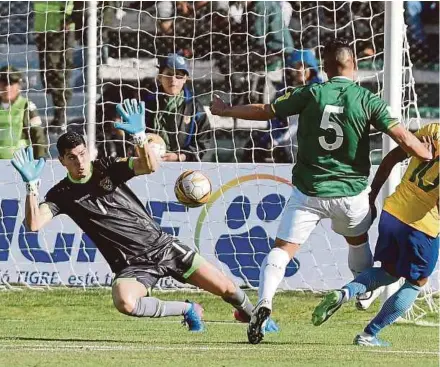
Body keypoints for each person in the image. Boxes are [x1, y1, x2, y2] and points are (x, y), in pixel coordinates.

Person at [210, 38, 433, 344]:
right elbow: (404, 139)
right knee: (357, 242)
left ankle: (264, 302)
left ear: (325, 68)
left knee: (282, 250)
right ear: (354, 64)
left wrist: (226, 110)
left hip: (309, 192)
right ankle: (363, 295)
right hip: (351, 195)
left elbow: (266, 110)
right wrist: (426, 152)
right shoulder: (368, 100)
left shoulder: (311, 92)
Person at [11, 98, 277, 333]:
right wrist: (31, 188)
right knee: (124, 301)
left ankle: (253, 315)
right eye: (72, 158)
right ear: (62, 161)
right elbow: (34, 224)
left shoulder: (106, 168)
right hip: (131, 265)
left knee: (228, 290)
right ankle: (188, 309)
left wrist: (140, 137)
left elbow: (148, 165)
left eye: (82, 154)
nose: (79, 162)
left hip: (162, 246)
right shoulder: (62, 193)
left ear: (87, 151)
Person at [312, 123, 439, 347]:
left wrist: (372, 196)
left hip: (392, 212)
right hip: (421, 225)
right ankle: (369, 334)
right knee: (417, 281)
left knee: (389, 272)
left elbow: (392, 157)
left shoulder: (432, 129)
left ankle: (344, 293)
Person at [98, 53, 212, 162]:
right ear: (159, 77)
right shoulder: (144, 102)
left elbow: (203, 143)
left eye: (179, 76)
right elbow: (130, 133)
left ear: (185, 79)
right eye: (168, 74)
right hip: (146, 162)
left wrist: (179, 157)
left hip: (181, 166)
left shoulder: (195, 109)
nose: (173, 80)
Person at [34, 1, 75, 133]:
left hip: (60, 28)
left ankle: (60, 116)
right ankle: (58, 115)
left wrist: (68, 18)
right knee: (48, 74)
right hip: (43, 27)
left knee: (57, 72)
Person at [0, 66, 47, 159]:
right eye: (3, 83)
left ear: (19, 85)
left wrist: (39, 160)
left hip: (20, 163)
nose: (7, 87)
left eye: (12, 83)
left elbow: (38, 136)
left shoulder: (27, 106)